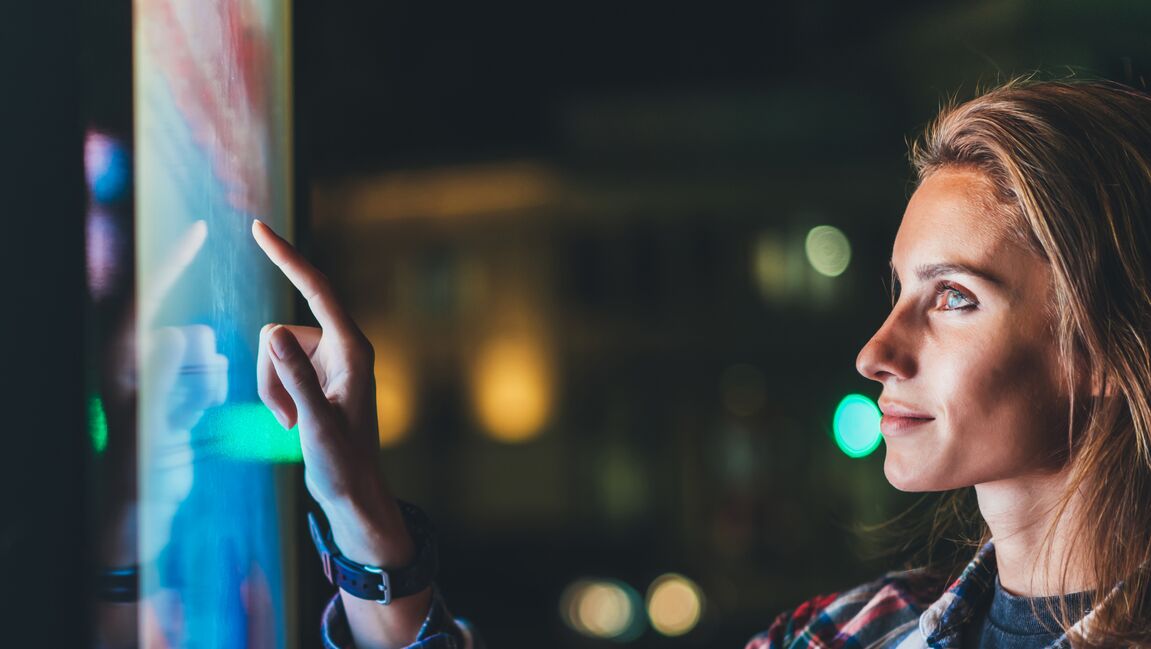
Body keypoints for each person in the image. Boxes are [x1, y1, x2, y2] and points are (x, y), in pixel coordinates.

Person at [251, 78, 1151, 649]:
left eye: (953, 296)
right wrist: (359, 509)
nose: (876, 351)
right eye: (896, 290)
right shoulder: (844, 634)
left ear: (1105, 342)